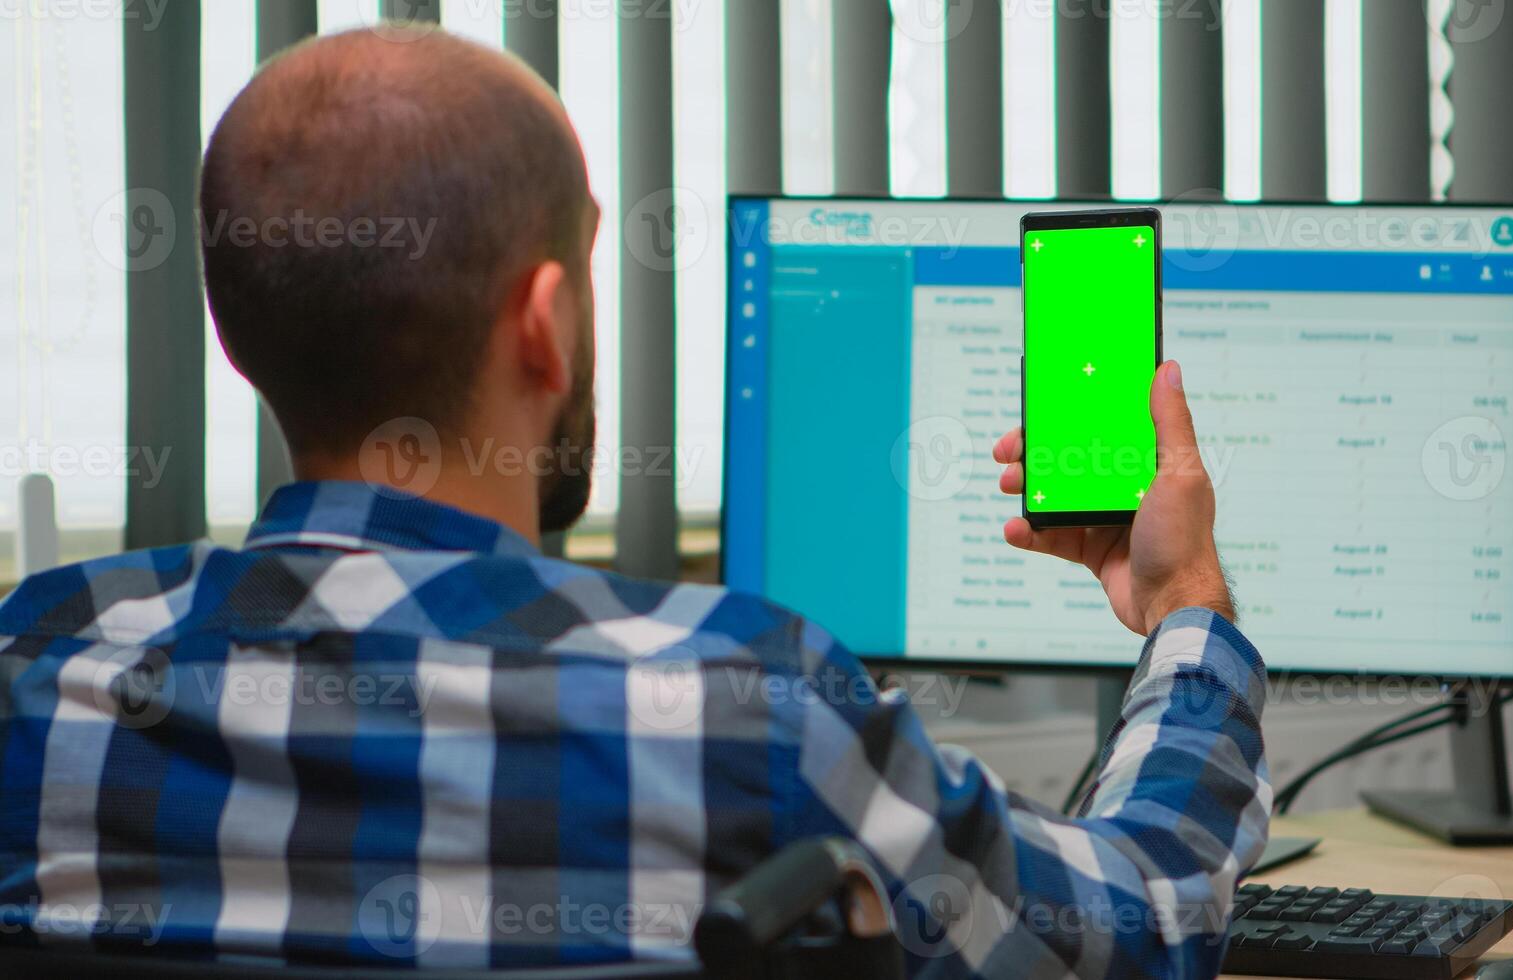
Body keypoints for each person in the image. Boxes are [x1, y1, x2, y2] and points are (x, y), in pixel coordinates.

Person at [0, 26, 1268, 978]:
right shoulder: (748, 713)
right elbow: (1145, 918)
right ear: (545, 322)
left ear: (240, 333)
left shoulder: (35, 673)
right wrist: (1181, 608)